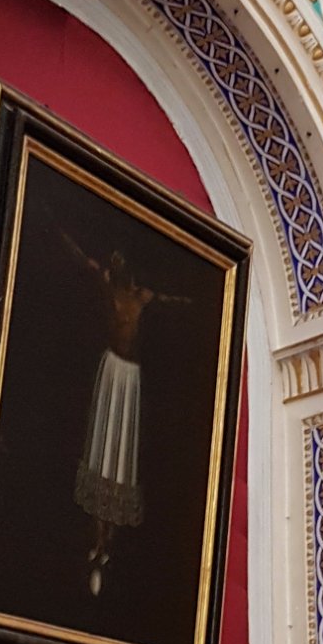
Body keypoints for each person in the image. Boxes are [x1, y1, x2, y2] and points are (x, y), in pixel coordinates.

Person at [61, 233, 190, 595]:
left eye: (125, 266)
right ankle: (96, 542)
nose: (122, 271)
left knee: (121, 460)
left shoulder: (140, 297)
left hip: (129, 377)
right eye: (117, 264)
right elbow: (79, 256)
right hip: (112, 370)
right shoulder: (107, 285)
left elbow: (172, 302)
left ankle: (107, 546)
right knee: (101, 455)